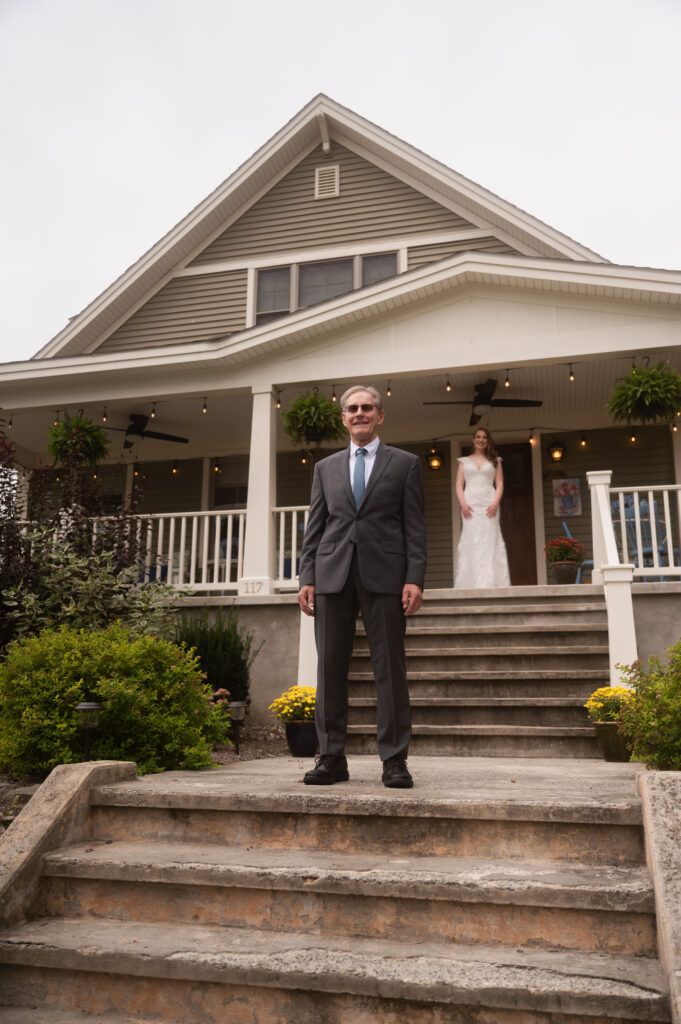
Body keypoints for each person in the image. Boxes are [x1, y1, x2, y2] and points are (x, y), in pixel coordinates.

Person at [297, 385, 427, 789]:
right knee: (329, 668)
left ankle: (394, 759)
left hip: (385, 575)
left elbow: (414, 527)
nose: (359, 414)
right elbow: (315, 528)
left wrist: (414, 577)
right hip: (332, 575)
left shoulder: (404, 464)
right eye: (352, 409)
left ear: (380, 415)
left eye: (366, 408)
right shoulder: (325, 468)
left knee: (389, 669)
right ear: (343, 418)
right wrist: (307, 578)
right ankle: (331, 757)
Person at [454, 427, 510, 588]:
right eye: (478, 437)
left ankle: (492, 581)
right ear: (473, 440)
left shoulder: (495, 461)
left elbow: (499, 484)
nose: (481, 440)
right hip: (470, 505)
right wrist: (463, 503)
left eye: (484, 437)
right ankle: (469, 582)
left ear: (487, 441)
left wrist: (495, 503)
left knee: (490, 538)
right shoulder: (463, 461)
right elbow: (459, 484)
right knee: (471, 538)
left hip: (489, 505)